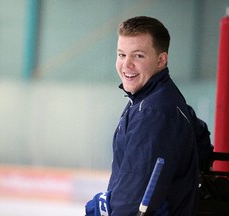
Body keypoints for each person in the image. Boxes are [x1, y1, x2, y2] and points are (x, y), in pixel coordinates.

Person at [85, 16, 213, 216]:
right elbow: (201, 138)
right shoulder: (159, 98)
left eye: (138, 56)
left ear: (161, 60)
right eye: (121, 54)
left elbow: (132, 201)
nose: (126, 64)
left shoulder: (153, 112)